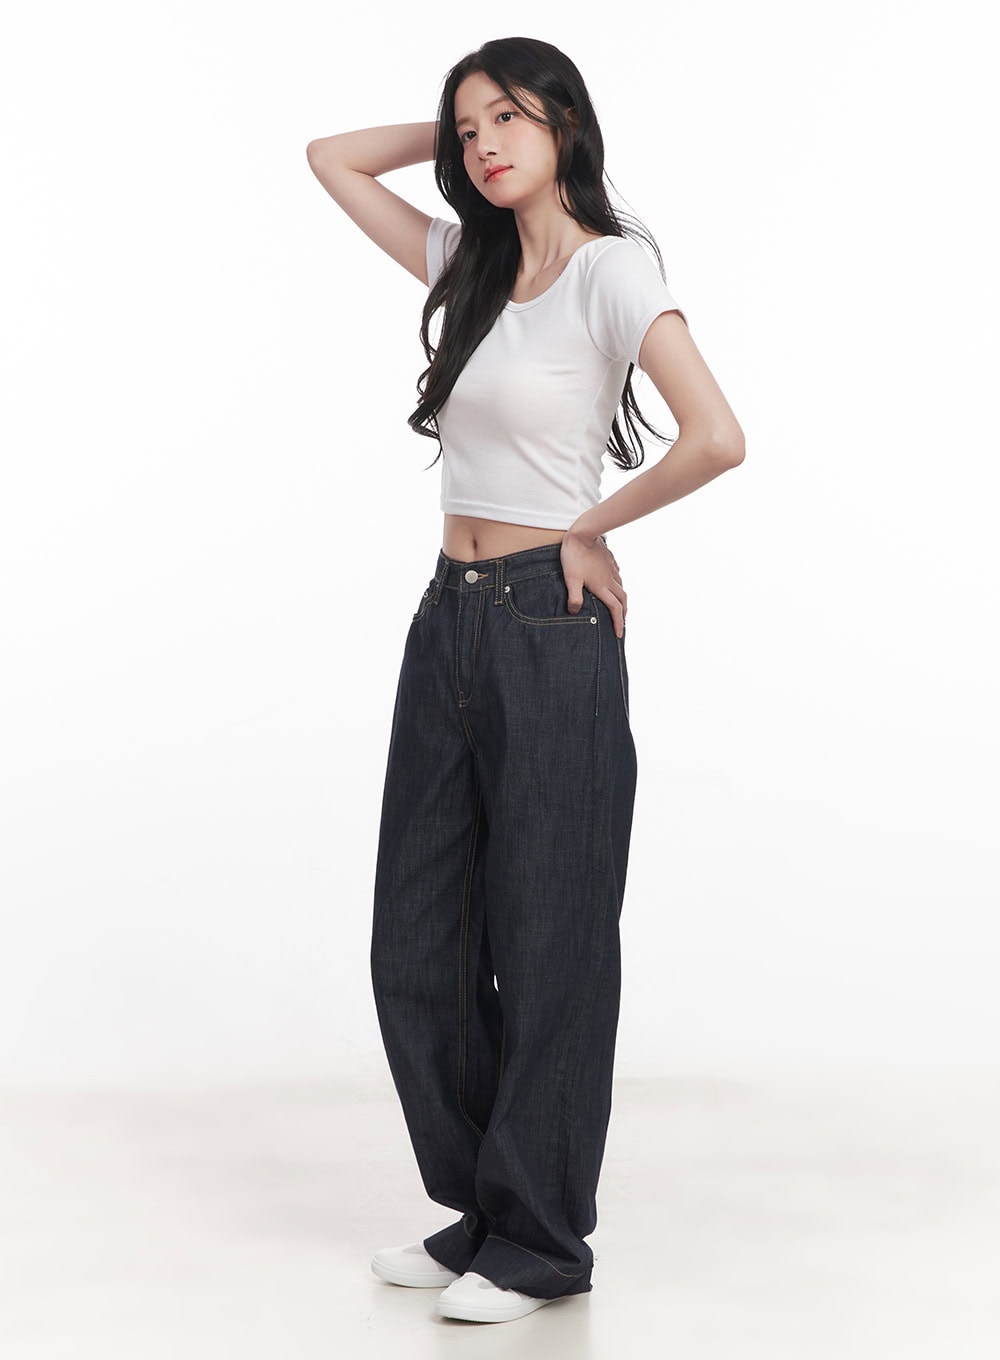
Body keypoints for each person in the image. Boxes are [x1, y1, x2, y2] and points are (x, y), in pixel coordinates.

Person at [306, 35, 744, 1325]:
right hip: (446, 617)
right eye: (467, 129)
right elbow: (330, 159)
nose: (485, 144)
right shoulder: (470, 263)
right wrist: (442, 142)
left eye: (508, 117)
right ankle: (485, 1210)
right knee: (418, 936)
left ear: (565, 123)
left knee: (548, 939)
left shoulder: (613, 271)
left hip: (550, 627)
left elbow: (718, 436)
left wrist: (589, 528)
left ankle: (543, 1243)